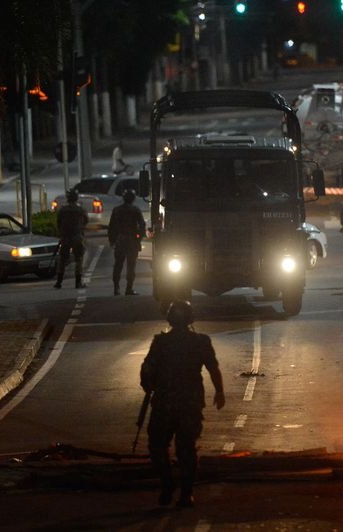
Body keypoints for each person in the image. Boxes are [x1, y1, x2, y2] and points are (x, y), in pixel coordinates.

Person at [140, 300, 225, 508]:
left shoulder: (160, 342)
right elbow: (213, 369)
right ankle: (186, 493)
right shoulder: (200, 342)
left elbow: (147, 371)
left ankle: (168, 485)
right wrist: (219, 391)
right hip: (189, 403)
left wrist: (149, 385)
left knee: (158, 446)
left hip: (165, 403)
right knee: (186, 449)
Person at [108, 189, 146, 296]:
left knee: (118, 265)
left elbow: (111, 227)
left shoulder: (117, 210)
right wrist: (139, 238)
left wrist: (112, 240)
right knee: (131, 265)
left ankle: (116, 288)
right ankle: (129, 289)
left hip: (120, 239)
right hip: (132, 240)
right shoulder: (136, 210)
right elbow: (142, 226)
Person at [54, 188, 89, 289]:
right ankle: (78, 282)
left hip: (65, 237)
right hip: (77, 236)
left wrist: (61, 233)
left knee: (63, 259)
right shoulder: (80, 209)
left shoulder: (63, 210)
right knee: (79, 259)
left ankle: (59, 282)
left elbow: (58, 222)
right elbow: (86, 221)